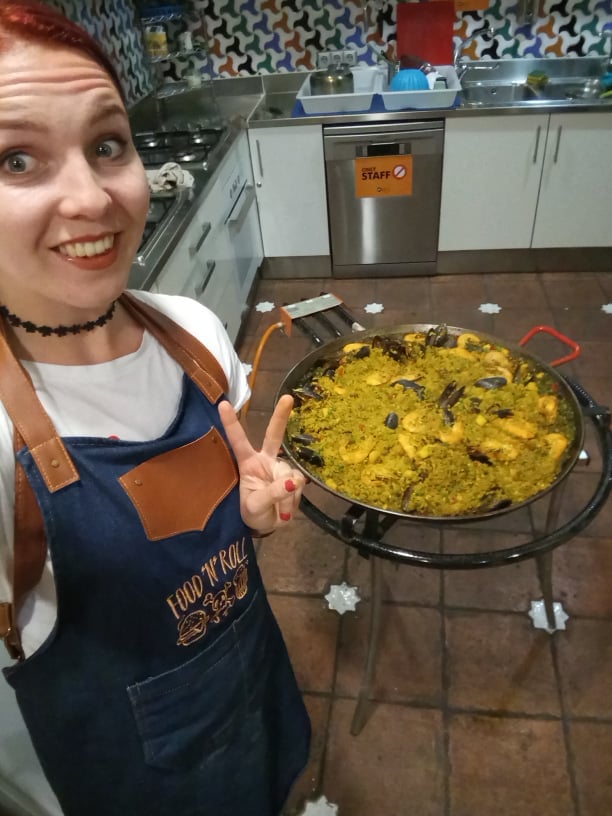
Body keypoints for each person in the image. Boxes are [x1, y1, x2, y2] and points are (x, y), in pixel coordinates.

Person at [0, 2, 311, 814]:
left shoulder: (195, 334)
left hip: (250, 693)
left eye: (108, 145)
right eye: (17, 161)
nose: (94, 200)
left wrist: (258, 515)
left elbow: (221, 531)